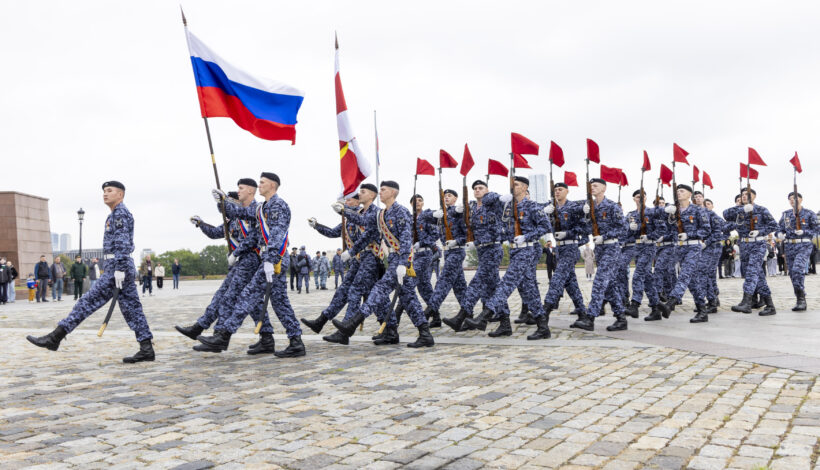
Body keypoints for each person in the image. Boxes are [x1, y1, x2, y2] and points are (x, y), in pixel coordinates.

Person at [26, 180, 155, 363]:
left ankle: (55, 337)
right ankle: (146, 348)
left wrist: (118, 268)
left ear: (120, 194)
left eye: (109, 190)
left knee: (87, 301)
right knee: (132, 309)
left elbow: (122, 242)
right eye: (103, 191)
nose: (105, 193)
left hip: (118, 266)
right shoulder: (115, 214)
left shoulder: (120, 214)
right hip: (119, 265)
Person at [206, 172, 305, 358]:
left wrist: (269, 259)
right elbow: (239, 212)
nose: (259, 185)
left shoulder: (278, 205)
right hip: (270, 258)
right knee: (280, 302)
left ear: (272, 186)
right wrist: (222, 201)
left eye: (262, 183)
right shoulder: (261, 208)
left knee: (248, 294)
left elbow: (277, 233)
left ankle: (224, 335)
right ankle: (296, 342)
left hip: (274, 259)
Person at [332, 180, 433, 347]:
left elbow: (407, 238)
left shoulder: (401, 211)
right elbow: (366, 228)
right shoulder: (381, 215)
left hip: (401, 260)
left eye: (383, 189)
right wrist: (351, 249)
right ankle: (425, 334)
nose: (380, 192)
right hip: (393, 259)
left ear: (393, 192)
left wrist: (403, 263)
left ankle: (352, 324)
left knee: (379, 288)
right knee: (408, 298)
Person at [183, 181, 276, 354]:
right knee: (251, 302)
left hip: (251, 259)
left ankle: (219, 336)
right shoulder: (234, 220)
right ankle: (266, 338)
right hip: (240, 261)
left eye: (237, 194)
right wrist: (201, 224)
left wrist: (237, 252)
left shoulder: (256, 210)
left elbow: (255, 237)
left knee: (229, 297)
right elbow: (215, 233)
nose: (237, 197)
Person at [465, 176, 551, 339]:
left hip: (527, 250)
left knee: (506, 283)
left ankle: (483, 317)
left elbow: (545, 227)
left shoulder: (532, 206)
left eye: (517, 184)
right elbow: (500, 219)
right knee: (529, 290)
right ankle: (542, 327)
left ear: (525, 187)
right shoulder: (508, 207)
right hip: (514, 251)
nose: (513, 187)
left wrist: (527, 236)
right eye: (512, 184)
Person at [443, 180, 508, 332]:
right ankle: (505, 324)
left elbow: (494, 197)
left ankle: (461, 316)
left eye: (481, 188)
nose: (477, 190)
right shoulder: (472, 206)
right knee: (492, 287)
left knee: (476, 282)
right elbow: (452, 215)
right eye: (475, 189)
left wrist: (477, 241)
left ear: (487, 189)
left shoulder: (493, 203)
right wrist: (456, 210)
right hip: (481, 251)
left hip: (493, 248)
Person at [303, 194, 367, 341]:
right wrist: (317, 226)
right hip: (356, 263)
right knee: (342, 293)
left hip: (367, 262)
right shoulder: (347, 221)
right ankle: (321, 321)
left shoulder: (363, 215)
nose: (346, 202)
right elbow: (333, 232)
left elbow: (362, 224)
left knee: (362, 297)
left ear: (358, 202)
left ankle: (388, 327)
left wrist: (343, 211)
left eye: (349, 200)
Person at [570, 178, 626, 331]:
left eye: (595, 186)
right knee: (610, 286)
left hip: (611, 247)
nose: (592, 188)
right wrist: (585, 214)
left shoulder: (612, 206)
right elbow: (586, 227)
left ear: (604, 188)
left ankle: (590, 318)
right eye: (591, 186)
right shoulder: (591, 207)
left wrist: (605, 236)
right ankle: (621, 319)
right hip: (599, 249)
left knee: (600, 281)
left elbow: (624, 228)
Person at [537, 182, 588, 324]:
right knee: (570, 283)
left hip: (571, 248)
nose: (557, 192)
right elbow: (534, 209)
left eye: (560, 189)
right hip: (559, 249)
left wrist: (567, 233)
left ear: (567, 191)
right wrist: (544, 211)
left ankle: (544, 313)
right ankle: (582, 313)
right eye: (555, 190)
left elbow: (584, 228)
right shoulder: (551, 207)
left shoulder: (573, 207)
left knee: (557, 278)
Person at [728, 188, 779, 316]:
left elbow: (774, 225)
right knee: (759, 276)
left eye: (747, 194)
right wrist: (741, 208)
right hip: (744, 245)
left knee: (751, 271)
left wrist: (760, 232)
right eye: (742, 194)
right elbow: (726, 214)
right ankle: (770, 306)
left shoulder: (761, 210)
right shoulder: (740, 212)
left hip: (758, 244)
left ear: (754, 196)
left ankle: (747, 302)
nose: (744, 196)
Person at [424, 189, 468, 327]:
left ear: (456, 198)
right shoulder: (441, 214)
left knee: (443, 282)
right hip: (448, 252)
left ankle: (429, 311)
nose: (446, 198)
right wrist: (433, 214)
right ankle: (468, 316)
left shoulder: (459, 213)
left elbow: (467, 234)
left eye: (450, 196)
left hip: (457, 251)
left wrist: (458, 241)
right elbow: (422, 218)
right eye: (445, 196)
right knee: (460, 287)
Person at [777, 191, 817, 311]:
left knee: (798, 269)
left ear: (801, 199)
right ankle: (800, 297)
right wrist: (779, 233)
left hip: (804, 245)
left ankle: (801, 300)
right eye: (790, 199)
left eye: (795, 198)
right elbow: (779, 228)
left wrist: (805, 232)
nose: (792, 200)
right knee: (793, 274)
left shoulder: (809, 213)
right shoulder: (785, 214)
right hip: (789, 246)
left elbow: (817, 230)